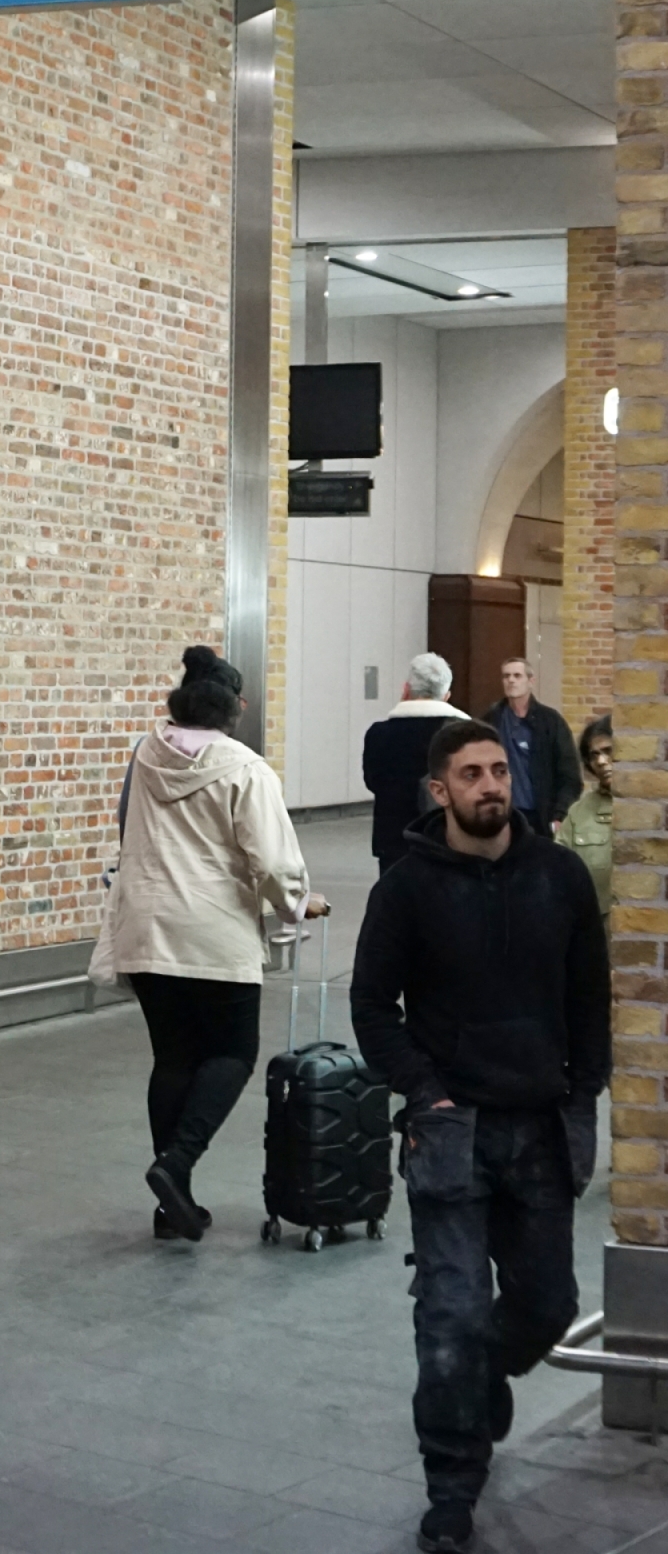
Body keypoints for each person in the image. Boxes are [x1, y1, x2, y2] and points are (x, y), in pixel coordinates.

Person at [351, 718, 609, 1554]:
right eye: (473, 774)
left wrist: (582, 1098)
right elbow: (371, 1007)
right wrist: (423, 1094)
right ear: (441, 791)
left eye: (500, 770)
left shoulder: (559, 877)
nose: (492, 785)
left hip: (539, 1124)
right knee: (451, 1318)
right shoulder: (408, 889)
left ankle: (489, 1377)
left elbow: (590, 999)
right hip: (451, 1131)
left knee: (548, 1305)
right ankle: (452, 1488)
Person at [103, 645, 319, 1242]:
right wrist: (298, 903)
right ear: (234, 709)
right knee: (231, 1053)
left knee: (173, 1057)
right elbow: (272, 859)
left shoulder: (145, 754)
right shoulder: (246, 768)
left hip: (148, 928)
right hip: (214, 934)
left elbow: (127, 829)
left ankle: (175, 1205)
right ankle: (176, 1164)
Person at [362, 653, 465, 876]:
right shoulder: (462, 735)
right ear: (446, 696)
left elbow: (372, 782)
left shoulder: (379, 734)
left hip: (393, 839)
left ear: (406, 690)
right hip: (447, 839)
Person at [485, 657, 581, 837]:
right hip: (502, 814)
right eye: (506, 676)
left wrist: (560, 814)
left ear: (531, 681)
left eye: (517, 676)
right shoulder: (491, 720)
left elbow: (570, 775)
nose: (511, 680)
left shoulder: (550, 722)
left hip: (540, 816)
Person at [556, 715, 615, 931]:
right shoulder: (579, 813)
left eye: (608, 751)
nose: (600, 761)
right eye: (594, 755)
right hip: (594, 930)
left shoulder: (657, 808)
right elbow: (558, 871)